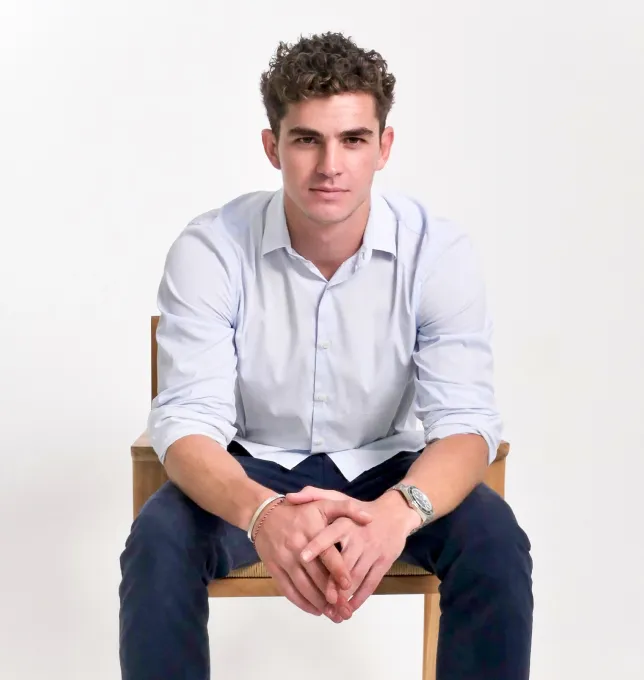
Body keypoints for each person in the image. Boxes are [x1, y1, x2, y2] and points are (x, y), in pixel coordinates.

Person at [119, 31, 533, 680]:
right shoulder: (211, 249)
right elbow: (187, 419)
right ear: (272, 147)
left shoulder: (438, 253)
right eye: (307, 139)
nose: (330, 166)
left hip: (387, 466)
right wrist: (261, 512)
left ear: (384, 147)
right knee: (158, 539)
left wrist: (396, 513)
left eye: (353, 140)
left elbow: (466, 422)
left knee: (495, 540)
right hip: (251, 467)